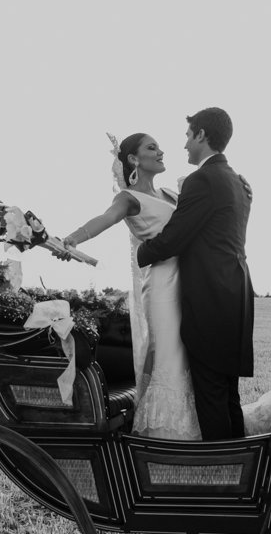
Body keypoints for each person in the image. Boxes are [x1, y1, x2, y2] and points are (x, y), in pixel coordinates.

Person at [61, 133, 200, 440]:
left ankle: (191, 426)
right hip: (162, 289)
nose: (161, 151)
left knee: (189, 357)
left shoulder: (170, 193)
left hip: (189, 286)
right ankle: (166, 434)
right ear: (134, 160)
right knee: (169, 357)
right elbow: (104, 218)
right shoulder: (128, 198)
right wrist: (72, 239)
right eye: (152, 147)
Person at [134, 107, 254, 440]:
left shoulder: (202, 179)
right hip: (237, 294)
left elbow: (174, 237)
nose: (184, 145)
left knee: (212, 395)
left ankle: (223, 475)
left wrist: (138, 251)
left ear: (201, 134)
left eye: (188, 136)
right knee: (228, 393)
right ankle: (241, 470)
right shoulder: (236, 181)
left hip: (210, 298)